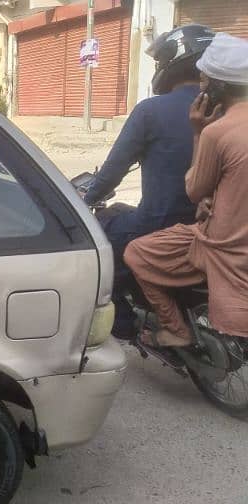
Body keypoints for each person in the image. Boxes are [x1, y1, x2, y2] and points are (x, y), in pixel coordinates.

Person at [84, 24, 215, 338]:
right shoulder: (229, 112)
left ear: (170, 64)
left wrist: (86, 199)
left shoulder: (151, 111)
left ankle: (125, 325)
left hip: (160, 225)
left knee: (98, 239)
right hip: (214, 228)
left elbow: (113, 171)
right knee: (119, 212)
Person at [124, 32, 248, 347]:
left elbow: (194, 189)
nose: (201, 87)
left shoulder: (216, 132)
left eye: (205, 81)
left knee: (136, 253)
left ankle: (176, 330)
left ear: (219, 86)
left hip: (219, 242)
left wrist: (197, 132)